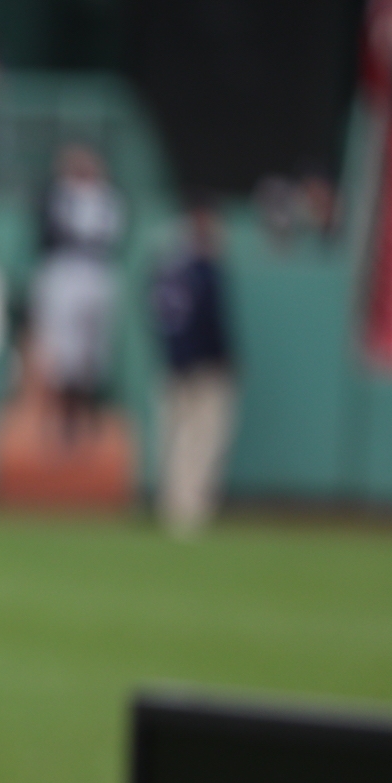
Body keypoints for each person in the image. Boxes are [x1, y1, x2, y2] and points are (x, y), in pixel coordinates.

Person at [149, 203, 237, 536]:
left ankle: (172, 503)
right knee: (201, 439)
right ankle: (189, 508)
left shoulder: (164, 268)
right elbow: (212, 323)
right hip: (203, 367)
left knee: (173, 437)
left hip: (173, 364)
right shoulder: (204, 270)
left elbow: (156, 318)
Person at [30, 143, 125, 442]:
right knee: (58, 351)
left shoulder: (108, 197)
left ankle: (88, 416)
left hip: (94, 271)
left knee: (92, 353)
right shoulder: (58, 194)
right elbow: (48, 231)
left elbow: (109, 236)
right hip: (63, 271)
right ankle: (56, 419)